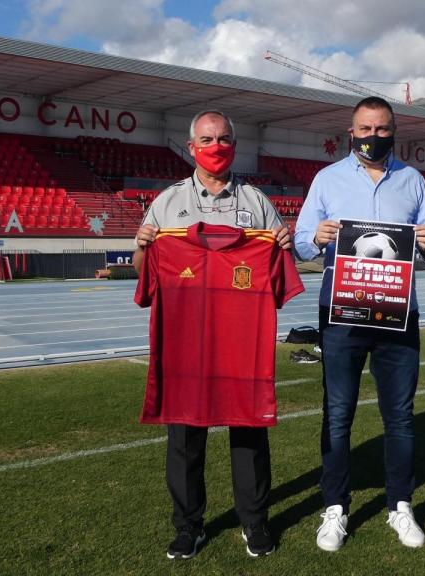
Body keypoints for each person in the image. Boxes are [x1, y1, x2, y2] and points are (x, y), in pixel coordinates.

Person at [132, 110, 293, 560]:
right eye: (207, 139)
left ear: (234, 146)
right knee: (184, 437)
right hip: (186, 344)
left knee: (249, 433)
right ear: (191, 146)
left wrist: (281, 247)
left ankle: (254, 523)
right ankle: (188, 526)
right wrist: (144, 247)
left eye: (223, 139)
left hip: (241, 346)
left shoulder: (258, 203)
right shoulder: (166, 203)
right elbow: (143, 279)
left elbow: (280, 281)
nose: (216, 146)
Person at [294, 96, 425, 552]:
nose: (373, 137)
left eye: (381, 129)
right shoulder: (327, 179)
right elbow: (301, 243)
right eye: (365, 129)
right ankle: (335, 506)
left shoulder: (413, 180)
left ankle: (400, 504)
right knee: (338, 413)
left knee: (399, 416)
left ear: (393, 131)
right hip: (342, 313)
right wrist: (315, 237)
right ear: (351, 131)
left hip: (399, 314)